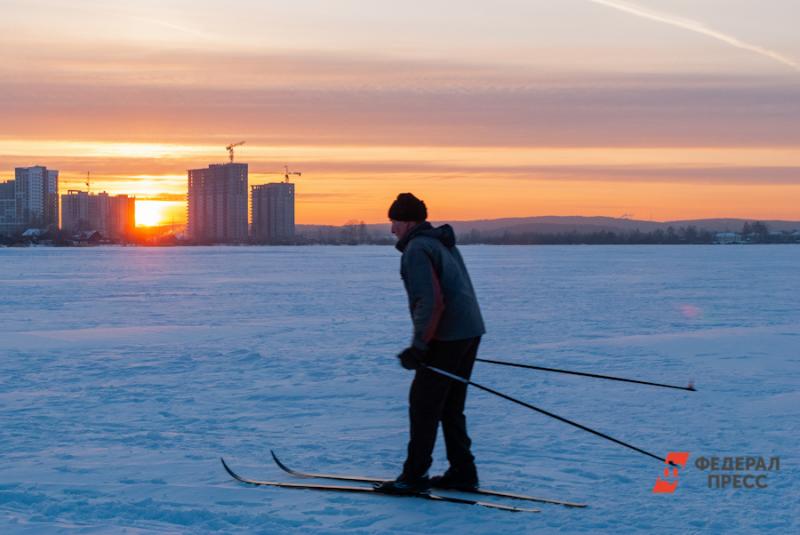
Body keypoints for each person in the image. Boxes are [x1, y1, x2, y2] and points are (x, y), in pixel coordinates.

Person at [375, 193, 486, 496]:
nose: (392, 229)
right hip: (468, 331)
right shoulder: (439, 241)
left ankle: (413, 476)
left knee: (423, 405)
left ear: (408, 222)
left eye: (395, 222)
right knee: (450, 406)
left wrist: (420, 346)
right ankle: (463, 472)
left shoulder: (417, 248)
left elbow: (430, 302)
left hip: (447, 336)